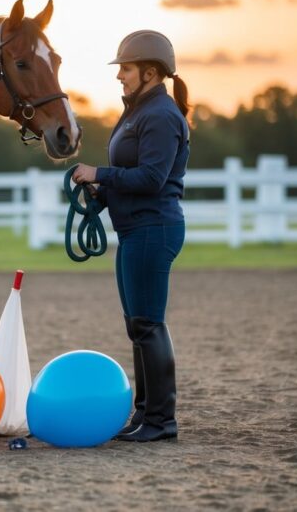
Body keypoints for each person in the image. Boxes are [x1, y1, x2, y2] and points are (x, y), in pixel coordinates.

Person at [72, 30, 190, 442]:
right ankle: (145, 414)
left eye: (126, 68)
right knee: (137, 324)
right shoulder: (140, 111)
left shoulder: (159, 115)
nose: (119, 75)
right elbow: (132, 177)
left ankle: (162, 420)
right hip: (136, 228)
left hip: (153, 229)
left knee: (148, 324)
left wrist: (99, 173)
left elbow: (154, 178)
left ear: (150, 72)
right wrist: (100, 194)